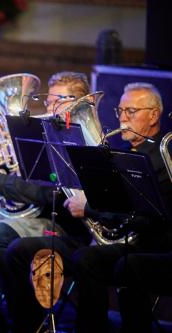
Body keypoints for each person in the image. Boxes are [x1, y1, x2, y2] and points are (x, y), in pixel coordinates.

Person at [66, 82, 172, 333]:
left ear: (154, 115)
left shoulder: (160, 156)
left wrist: (90, 209)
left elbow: (140, 214)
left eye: (131, 112)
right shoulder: (124, 151)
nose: (123, 118)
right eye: (120, 111)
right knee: (86, 258)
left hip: (156, 242)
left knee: (129, 265)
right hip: (133, 241)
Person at [0, 71, 91, 294]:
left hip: (68, 228)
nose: (50, 109)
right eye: (48, 102)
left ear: (80, 104)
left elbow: (51, 194)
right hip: (42, 218)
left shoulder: (83, 140)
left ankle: (26, 310)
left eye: (58, 102)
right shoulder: (47, 134)